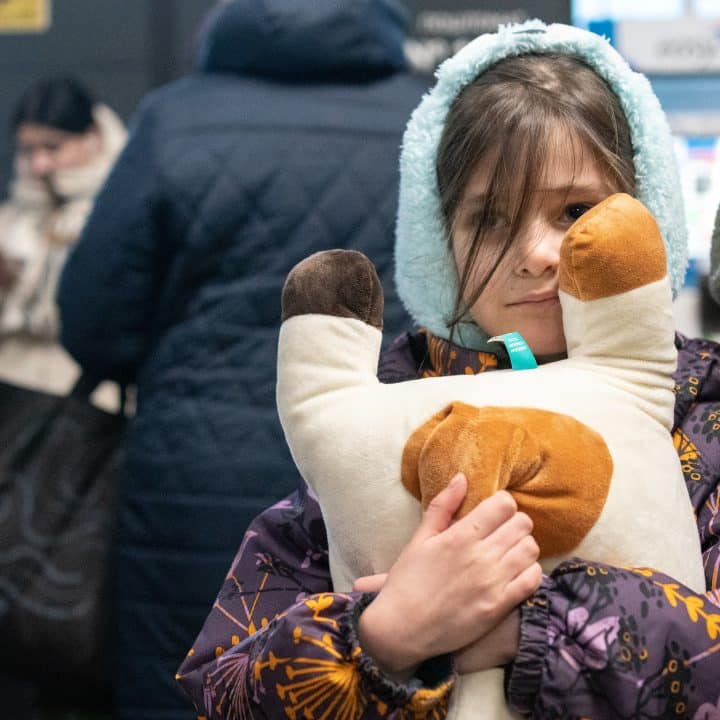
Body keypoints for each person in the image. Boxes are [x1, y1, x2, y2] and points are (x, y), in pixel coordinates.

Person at [175, 20, 720, 720]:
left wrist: (533, 627)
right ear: (440, 243)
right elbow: (222, 690)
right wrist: (385, 637)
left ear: (647, 215)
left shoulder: (701, 413)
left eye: (576, 210)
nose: (537, 253)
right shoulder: (380, 418)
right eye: (489, 220)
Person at [56, 1, 424, 718]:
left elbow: (95, 323)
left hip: (188, 489)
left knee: (186, 685)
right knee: (366, 682)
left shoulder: (174, 118)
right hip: (379, 479)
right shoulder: (428, 120)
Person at [0, 76, 125, 396]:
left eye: (53, 147)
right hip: (13, 401)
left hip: (91, 400)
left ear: (93, 137)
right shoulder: (12, 217)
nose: (40, 164)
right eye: (28, 150)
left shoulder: (125, 208)